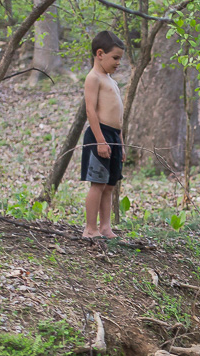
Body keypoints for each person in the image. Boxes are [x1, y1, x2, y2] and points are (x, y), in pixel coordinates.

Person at [80, 31, 125, 239]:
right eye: (115, 58)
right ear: (100, 54)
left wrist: (121, 144)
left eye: (120, 59)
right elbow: (91, 111)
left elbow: (118, 117)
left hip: (114, 136)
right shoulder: (93, 78)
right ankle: (90, 228)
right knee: (97, 184)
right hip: (100, 135)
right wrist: (100, 141)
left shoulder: (111, 80)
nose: (118, 63)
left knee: (109, 185)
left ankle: (105, 227)